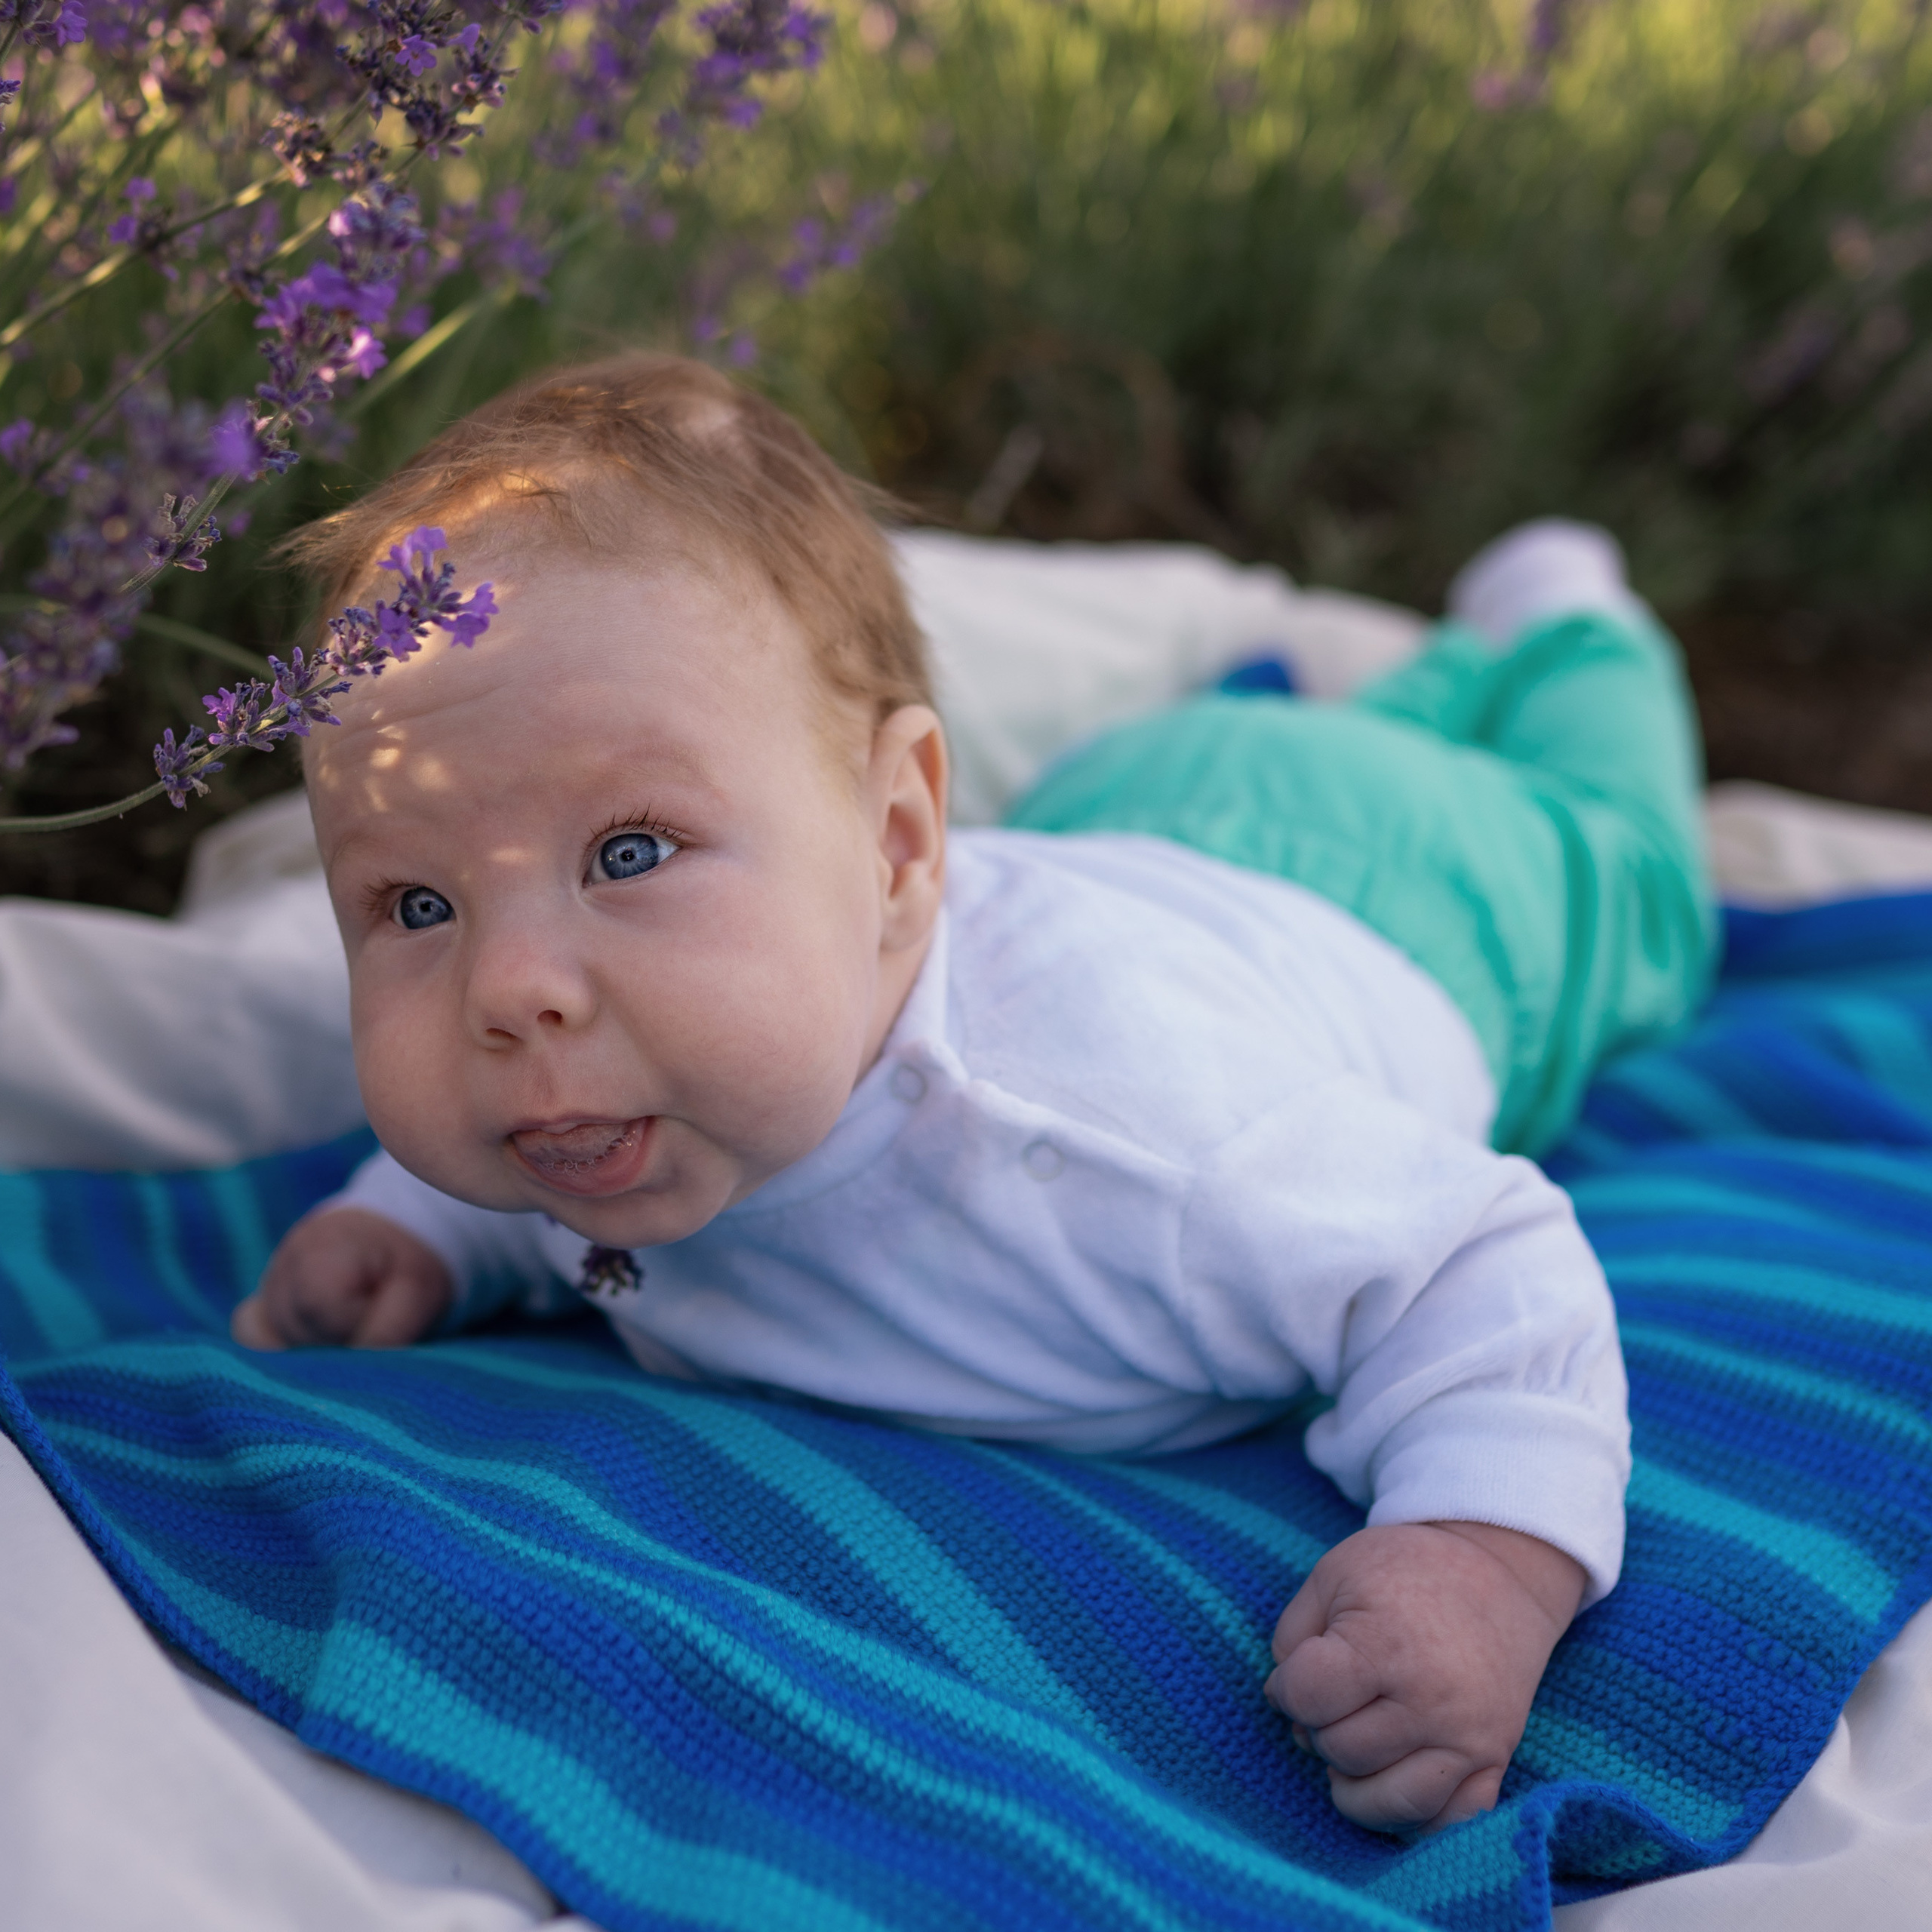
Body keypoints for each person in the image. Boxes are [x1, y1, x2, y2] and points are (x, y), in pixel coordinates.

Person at [229, 353, 1713, 1836]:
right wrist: (419, 1227)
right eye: (414, 904)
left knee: (1636, 869)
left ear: (893, 845)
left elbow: (1480, 1258)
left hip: (1407, 887)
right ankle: (1403, 683)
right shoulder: (604, 1074)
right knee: (1355, 717)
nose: (506, 988)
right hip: (1125, 801)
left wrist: (1480, 1549)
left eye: (626, 855)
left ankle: (1560, 617)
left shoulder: (1132, 1139)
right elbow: (534, 1173)